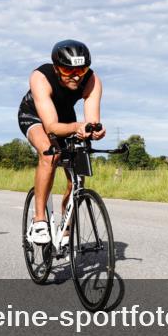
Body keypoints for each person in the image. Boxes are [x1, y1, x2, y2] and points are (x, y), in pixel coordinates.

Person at [18, 39, 105, 246]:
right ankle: (39, 219)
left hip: (66, 118)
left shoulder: (92, 80)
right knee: (51, 153)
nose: (76, 76)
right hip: (36, 116)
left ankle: (66, 226)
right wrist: (77, 127)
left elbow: (91, 121)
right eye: (68, 71)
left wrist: (94, 130)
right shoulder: (40, 77)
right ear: (57, 69)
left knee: (78, 173)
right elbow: (51, 127)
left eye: (81, 70)